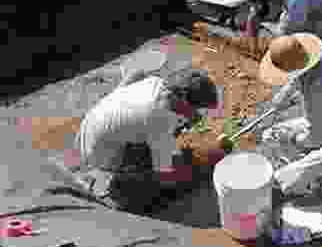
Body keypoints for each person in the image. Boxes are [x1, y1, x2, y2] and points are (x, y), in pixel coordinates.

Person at [219, 34, 322, 195]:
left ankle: (283, 186)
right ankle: (306, 167)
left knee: (315, 159)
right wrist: (282, 98)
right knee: (271, 135)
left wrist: (296, 139)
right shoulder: (318, 60)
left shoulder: (320, 88)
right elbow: (295, 80)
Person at [75, 68, 229, 208]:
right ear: (183, 99)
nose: (198, 114)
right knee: (175, 181)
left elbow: (137, 74)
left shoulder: (156, 83)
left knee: (168, 151)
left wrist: (188, 115)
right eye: (196, 109)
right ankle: (128, 185)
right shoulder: (159, 119)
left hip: (90, 129)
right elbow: (166, 177)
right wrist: (204, 162)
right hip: (99, 153)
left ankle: (137, 164)